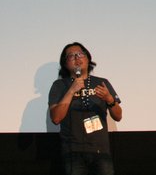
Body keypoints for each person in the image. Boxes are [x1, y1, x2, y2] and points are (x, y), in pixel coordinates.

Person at [49, 42, 122, 175]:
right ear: (65, 64)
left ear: (88, 59)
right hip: (73, 152)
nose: (77, 58)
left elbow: (118, 116)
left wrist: (109, 99)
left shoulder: (102, 82)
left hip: (101, 151)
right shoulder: (59, 85)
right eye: (71, 56)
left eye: (80, 54)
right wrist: (71, 91)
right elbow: (56, 118)